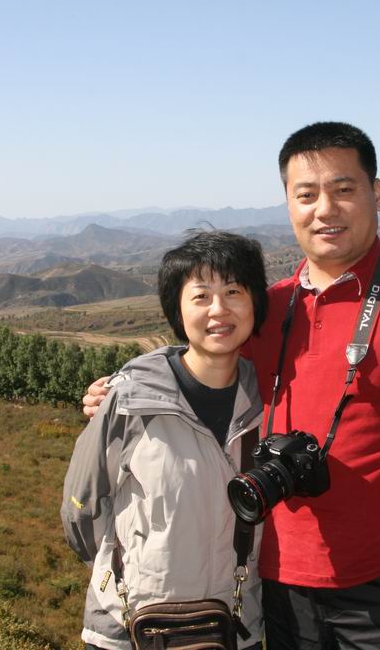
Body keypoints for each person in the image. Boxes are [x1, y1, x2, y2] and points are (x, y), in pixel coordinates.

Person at [83, 122, 380, 649]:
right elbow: (201, 363)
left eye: (343, 189)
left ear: (376, 194)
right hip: (274, 582)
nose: (325, 209)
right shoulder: (266, 307)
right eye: (306, 194)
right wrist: (122, 390)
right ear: (288, 204)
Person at [62, 230, 268, 650]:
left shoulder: (270, 399)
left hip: (233, 627)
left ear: (255, 304)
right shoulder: (130, 400)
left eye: (233, 291)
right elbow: (82, 507)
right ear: (177, 308)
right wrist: (128, 574)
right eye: (201, 296)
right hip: (130, 629)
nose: (219, 309)